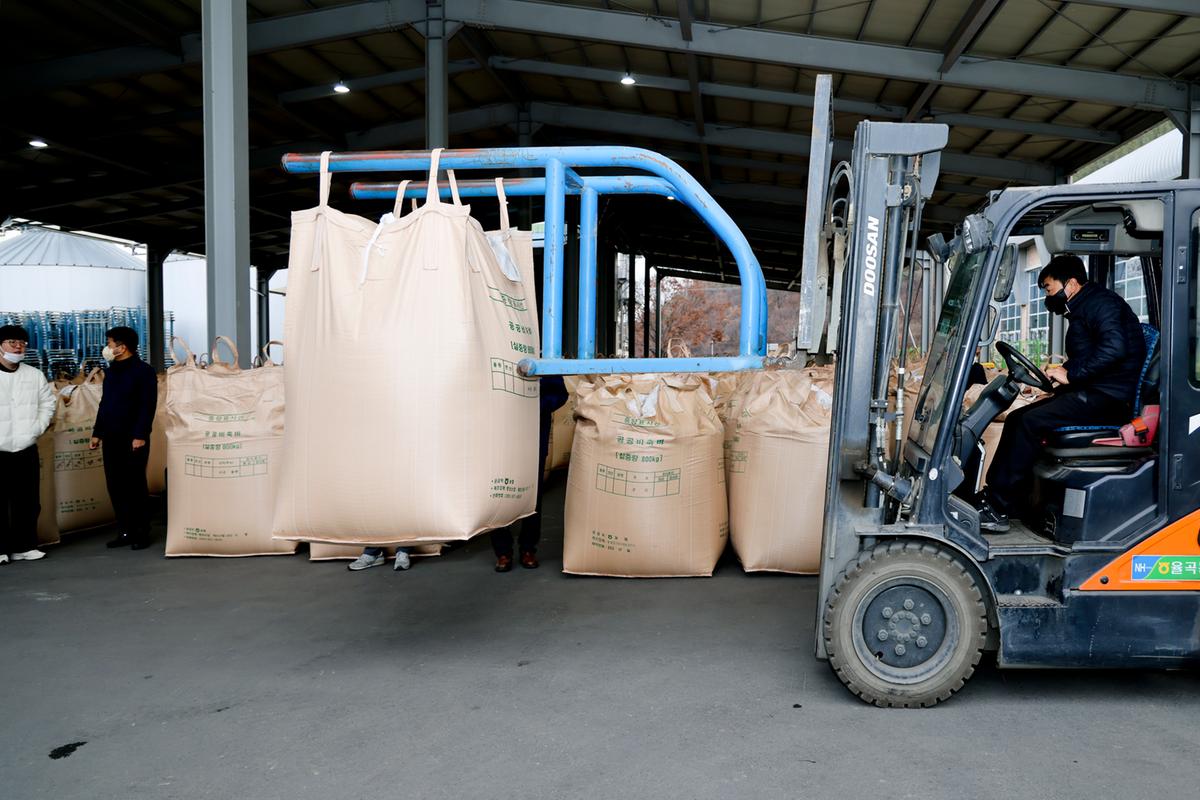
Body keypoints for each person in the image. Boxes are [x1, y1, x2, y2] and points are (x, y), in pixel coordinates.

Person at [976, 254, 1146, 531]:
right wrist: (1055, 377)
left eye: (1049, 287)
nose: (1047, 294)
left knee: (1028, 423)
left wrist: (1071, 375)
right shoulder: (1085, 306)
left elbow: (1114, 349)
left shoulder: (1101, 304)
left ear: (1072, 283)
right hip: (1094, 391)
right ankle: (1007, 502)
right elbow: (1090, 354)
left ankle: (998, 507)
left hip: (1108, 399)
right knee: (1019, 417)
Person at [90, 327, 158, 550]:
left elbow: (147, 406)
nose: (107, 348)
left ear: (122, 347)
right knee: (115, 484)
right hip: (111, 436)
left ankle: (141, 532)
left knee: (135, 484)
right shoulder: (111, 372)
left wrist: (140, 434)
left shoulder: (144, 371)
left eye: (110, 343)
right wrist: (97, 432)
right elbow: (105, 405)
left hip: (133, 438)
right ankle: (125, 530)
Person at [493, 376, 569, 572]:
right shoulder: (498, 352)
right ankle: (503, 551)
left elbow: (560, 394)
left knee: (533, 498)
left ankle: (528, 549)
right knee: (499, 495)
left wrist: (535, 405)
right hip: (500, 437)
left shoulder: (542, 355)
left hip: (534, 436)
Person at [0, 325, 56, 564]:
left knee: (28, 500)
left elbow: (48, 404)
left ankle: (26, 546)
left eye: (22, 343)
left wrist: (35, 429)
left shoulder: (33, 375)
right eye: (13, 342)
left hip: (25, 446)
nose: (18, 347)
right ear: (1, 345)